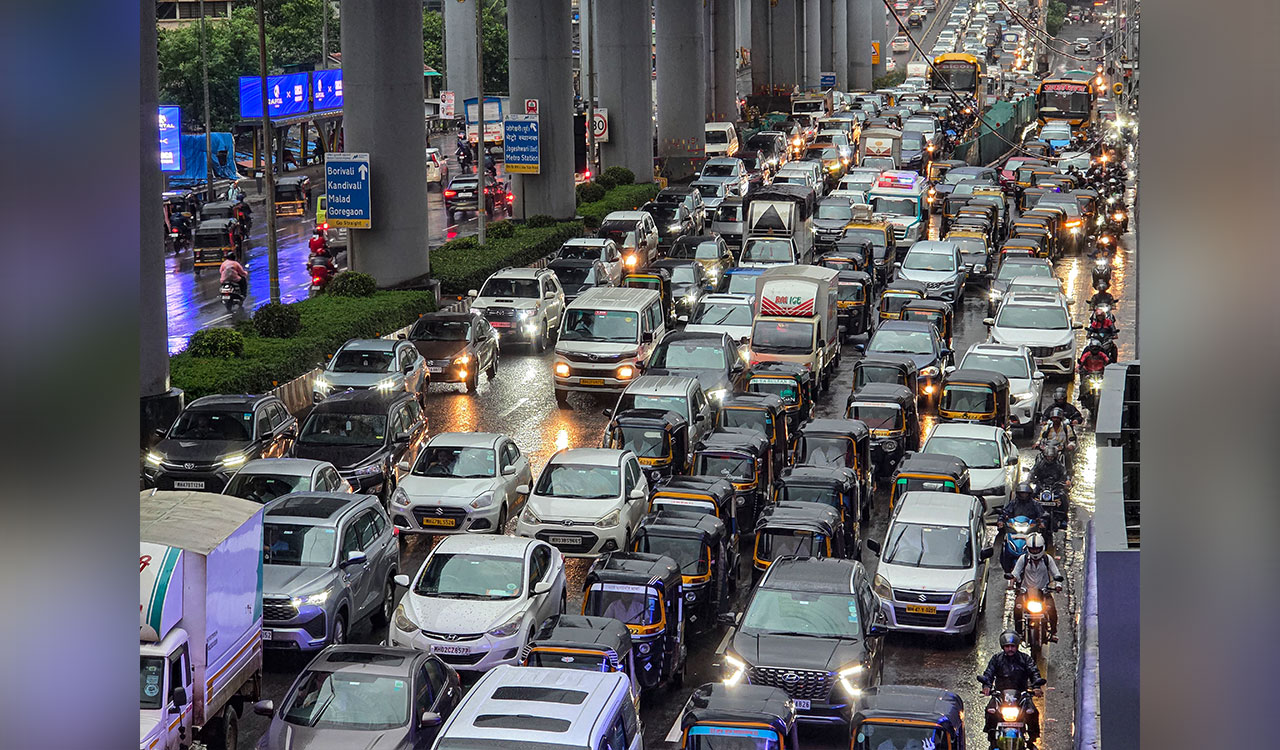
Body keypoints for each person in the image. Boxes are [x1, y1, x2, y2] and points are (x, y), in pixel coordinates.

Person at [978, 631, 1046, 748]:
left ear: (1017, 646)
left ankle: (1032, 737)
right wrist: (986, 686)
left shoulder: (1025, 659)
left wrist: (1036, 687)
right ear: (1003, 647)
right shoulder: (996, 659)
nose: (1010, 649)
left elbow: (1034, 672)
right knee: (990, 710)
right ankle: (991, 735)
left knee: (1032, 712)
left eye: (1012, 646)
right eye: (1007, 646)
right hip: (1000, 696)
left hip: (1021, 696)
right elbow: (989, 673)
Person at [1008, 533, 1064, 642]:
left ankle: (1053, 633)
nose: (1034, 552)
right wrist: (1011, 582)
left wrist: (1058, 585)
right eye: (1032, 549)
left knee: (1051, 609)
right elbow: (1015, 573)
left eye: (1037, 549)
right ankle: (1019, 633)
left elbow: (1056, 573)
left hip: (1043, 591)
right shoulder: (1023, 559)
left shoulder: (1048, 559)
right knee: (1018, 608)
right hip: (1025, 592)